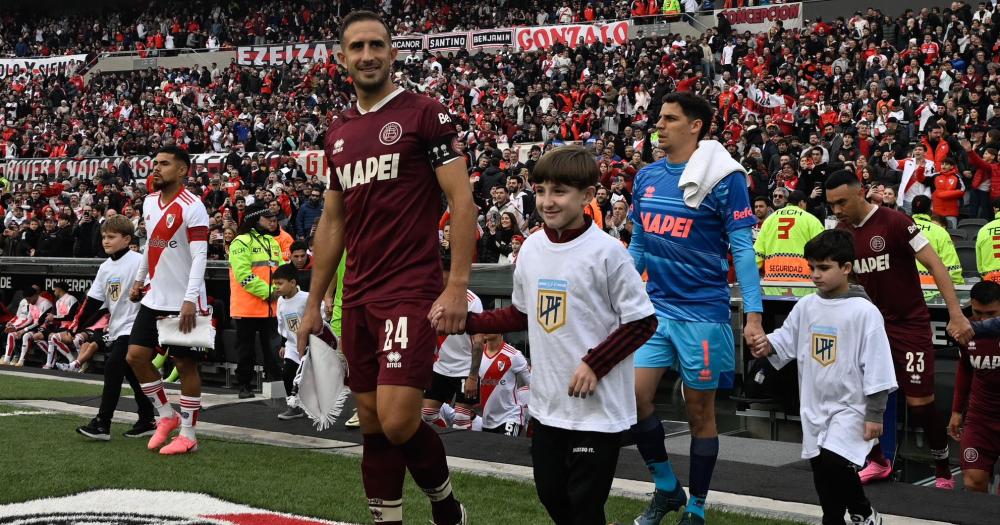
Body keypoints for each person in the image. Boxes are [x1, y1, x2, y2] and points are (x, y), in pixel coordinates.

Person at [296, 11, 476, 525]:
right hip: (357, 296)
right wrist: (314, 302)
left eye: (377, 44)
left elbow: (461, 200)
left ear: (393, 52)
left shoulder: (426, 113)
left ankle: (446, 507)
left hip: (410, 289)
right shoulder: (338, 132)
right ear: (342, 58)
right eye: (357, 47)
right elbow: (332, 222)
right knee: (372, 423)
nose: (368, 54)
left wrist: (457, 284)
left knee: (399, 421)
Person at [439, 145, 657, 525]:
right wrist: (469, 323)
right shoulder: (533, 248)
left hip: (596, 411)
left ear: (588, 196)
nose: (547, 201)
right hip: (548, 405)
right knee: (552, 495)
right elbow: (523, 313)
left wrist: (595, 363)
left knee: (584, 505)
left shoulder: (608, 253)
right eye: (540, 191)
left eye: (559, 192)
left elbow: (642, 322)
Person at [627, 92, 764, 525]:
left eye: (669, 119)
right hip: (655, 310)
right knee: (632, 400)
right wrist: (622, 296)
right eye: (658, 118)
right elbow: (639, 246)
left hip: (703, 314)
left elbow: (742, 250)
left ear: (696, 126)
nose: (659, 126)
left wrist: (754, 315)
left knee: (700, 412)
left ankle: (698, 506)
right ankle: (667, 488)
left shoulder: (725, 179)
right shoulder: (646, 176)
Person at [825, 169, 973, 488]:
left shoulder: (895, 222)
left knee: (920, 403)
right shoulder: (843, 232)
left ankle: (943, 470)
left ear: (860, 192)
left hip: (910, 325)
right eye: (832, 205)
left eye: (841, 202)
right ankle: (878, 461)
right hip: (872, 328)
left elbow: (935, 265)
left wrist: (956, 314)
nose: (837, 210)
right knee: (860, 395)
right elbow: (845, 279)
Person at [750, 229, 896, 525]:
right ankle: (833, 518)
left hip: (851, 405)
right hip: (815, 403)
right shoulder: (806, 305)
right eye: (812, 267)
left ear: (846, 267)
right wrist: (767, 344)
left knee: (835, 461)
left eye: (824, 268)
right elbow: (787, 339)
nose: (815, 275)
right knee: (820, 467)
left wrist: (875, 413)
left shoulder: (864, 312)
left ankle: (864, 512)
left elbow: (878, 364)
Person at [125, 145, 211, 456]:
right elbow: (149, 245)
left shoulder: (194, 206)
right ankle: (166, 415)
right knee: (135, 357)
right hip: (155, 295)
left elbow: (201, 255)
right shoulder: (149, 202)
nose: (156, 169)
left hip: (184, 300)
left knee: (185, 365)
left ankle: (189, 434)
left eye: (164, 164)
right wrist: (139, 280)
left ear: (183, 170)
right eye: (155, 163)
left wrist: (190, 299)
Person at [74, 215, 157, 440]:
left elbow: (153, 288)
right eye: (103, 237)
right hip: (118, 327)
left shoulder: (139, 261)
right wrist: (76, 325)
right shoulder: (105, 267)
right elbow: (93, 301)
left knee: (113, 366)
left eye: (111, 237)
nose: (105, 241)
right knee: (130, 373)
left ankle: (102, 423)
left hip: (138, 325)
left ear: (127, 238)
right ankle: (148, 418)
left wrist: (141, 292)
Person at [229, 202, 285, 399]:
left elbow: (282, 270)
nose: (271, 220)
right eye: (266, 217)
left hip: (271, 308)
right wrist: (270, 292)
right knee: (246, 350)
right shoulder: (240, 242)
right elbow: (244, 276)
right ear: (255, 219)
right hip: (247, 308)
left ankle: (277, 384)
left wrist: (283, 288)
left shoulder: (273, 243)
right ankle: (244, 385)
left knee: (273, 348)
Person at [948, 281, 1000, 493]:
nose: (984, 319)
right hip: (981, 418)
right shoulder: (967, 331)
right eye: (978, 312)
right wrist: (956, 411)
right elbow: (965, 370)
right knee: (973, 481)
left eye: (991, 313)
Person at [422, 255, 484, 430]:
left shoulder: (472, 301)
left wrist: (473, 376)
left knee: (461, 421)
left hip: (465, 369)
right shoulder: (431, 298)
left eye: (440, 272)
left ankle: (463, 452)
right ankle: (442, 445)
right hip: (440, 368)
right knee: (427, 415)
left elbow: (478, 342)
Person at [754, 190, 825, 283]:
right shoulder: (811, 220)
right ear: (801, 203)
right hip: (804, 280)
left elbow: (757, 252)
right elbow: (822, 250)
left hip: (773, 280)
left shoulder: (770, 219)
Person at [273, 263, 308, 420]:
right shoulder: (280, 301)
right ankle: (293, 406)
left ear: (293, 283)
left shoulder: (306, 298)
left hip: (310, 347)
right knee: (287, 374)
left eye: (280, 283)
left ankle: (313, 405)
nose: (277, 287)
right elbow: (283, 325)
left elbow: (321, 318)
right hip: (292, 346)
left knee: (309, 379)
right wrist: (283, 343)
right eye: (275, 284)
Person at [478, 332, 530, 437]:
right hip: (487, 420)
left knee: (505, 450)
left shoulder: (514, 355)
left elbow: (532, 382)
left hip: (510, 416)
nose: (485, 329)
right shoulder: (477, 354)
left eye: (490, 326)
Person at [909, 195, 963, 295]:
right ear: (931, 209)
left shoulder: (899, 228)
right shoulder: (940, 232)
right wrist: (957, 285)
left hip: (906, 289)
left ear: (911, 209)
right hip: (933, 291)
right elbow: (951, 265)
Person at [2, 286, 52, 366]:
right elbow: (29, 320)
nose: (28, 302)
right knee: (11, 334)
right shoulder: (31, 303)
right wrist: (15, 328)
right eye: (27, 300)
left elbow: (39, 322)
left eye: (29, 299)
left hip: (44, 328)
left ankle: (21, 360)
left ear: (35, 295)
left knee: (26, 335)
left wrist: (23, 330)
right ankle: (6, 359)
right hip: (32, 327)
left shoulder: (46, 303)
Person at [975, 198, 1000, 283]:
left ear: (994, 209)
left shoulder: (984, 230)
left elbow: (979, 259)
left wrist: (984, 275)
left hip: (991, 279)